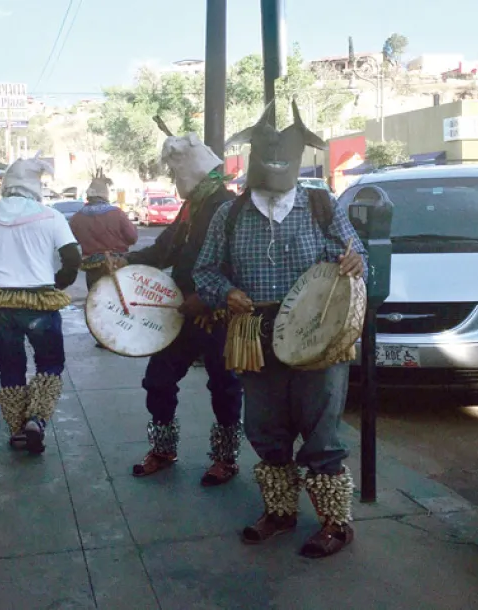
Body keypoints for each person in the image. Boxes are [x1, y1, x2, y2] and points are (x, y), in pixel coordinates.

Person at [193, 100, 367, 558]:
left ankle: (335, 522)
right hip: (255, 332)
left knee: (322, 430)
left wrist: (354, 261)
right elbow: (205, 271)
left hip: (319, 332)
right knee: (265, 428)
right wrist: (225, 292)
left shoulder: (320, 204)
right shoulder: (228, 215)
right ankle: (281, 511)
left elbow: (358, 256)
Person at [109, 132, 244, 486]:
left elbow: (238, 262)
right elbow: (166, 249)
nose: (172, 179)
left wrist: (210, 295)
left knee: (225, 386)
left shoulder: (227, 207)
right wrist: (127, 260)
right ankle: (163, 450)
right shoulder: (191, 207)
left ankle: (226, 459)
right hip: (182, 311)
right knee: (159, 379)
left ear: (192, 171)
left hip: (216, 314)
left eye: (174, 172)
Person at [0, 154, 81, 454]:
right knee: (50, 363)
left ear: (6, 185)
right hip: (39, 301)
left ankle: (16, 430)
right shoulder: (50, 216)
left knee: (10, 366)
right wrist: (57, 284)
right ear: (35, 185)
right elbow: (73, 257)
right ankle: (36, 419)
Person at [69, 169, 138, 292]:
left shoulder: (76, 218)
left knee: (96, 303)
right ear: (105, 195)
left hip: (92, 270)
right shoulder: (117, 213)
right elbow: (132, 238)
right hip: (117, 266)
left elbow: (71, 244)